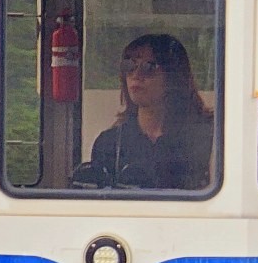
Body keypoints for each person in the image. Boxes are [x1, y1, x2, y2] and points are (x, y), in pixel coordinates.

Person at [87, 33, 213, 190]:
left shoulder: (207, 137)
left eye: (149, 67)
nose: (136, 75)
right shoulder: (109, 143)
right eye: (129, 66)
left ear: (174, 76)